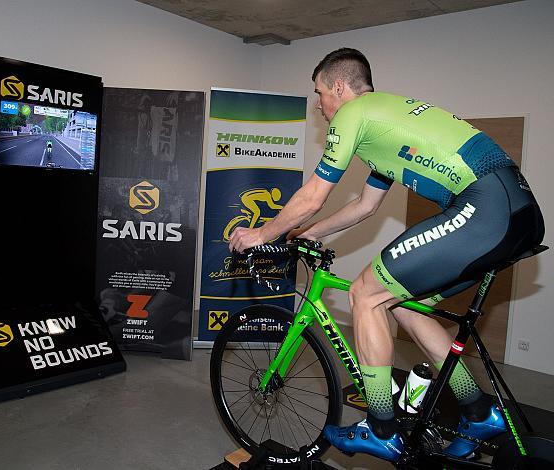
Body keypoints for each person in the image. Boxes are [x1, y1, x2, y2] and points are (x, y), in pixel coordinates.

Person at [228, 48, 545, 462]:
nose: (320, 107)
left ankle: (380, 427)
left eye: (319, 93)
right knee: (406, 306)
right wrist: (300, 237)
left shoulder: (352, 114)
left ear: (340, 87)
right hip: (516, 213)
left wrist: (261, 234)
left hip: (486, 207)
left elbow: (311, 197)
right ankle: (478, 411)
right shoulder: (384, 124)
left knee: (366, 292)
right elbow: (365, 205)